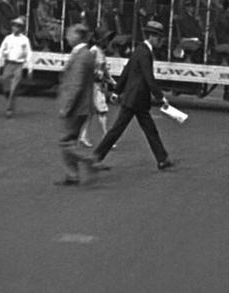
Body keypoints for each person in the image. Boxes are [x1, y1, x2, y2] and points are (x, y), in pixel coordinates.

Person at [92, 20, 173, 171]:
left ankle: (162, 158)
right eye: (159, 38)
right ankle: (96, 156)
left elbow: (127, 71)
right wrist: (160, 97)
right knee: (121, 130)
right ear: (151, 37)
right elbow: (149, 77)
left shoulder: (139, 50)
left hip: (135, 98)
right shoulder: (144, 53)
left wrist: (117, 91)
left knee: (146, 130)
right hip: (137, 98)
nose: (160, 41)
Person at [56, 24, 104, 186]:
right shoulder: (86, 54)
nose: (67, 37)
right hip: (83, 106)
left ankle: (90, 160)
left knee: (64, 142)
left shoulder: (82, 56)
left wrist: (67, 107)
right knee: (71, 140)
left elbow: (76, 85)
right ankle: (72, 175)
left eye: (69, 34)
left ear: (78, 36)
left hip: (77, 106)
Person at [78, 28, 117, 148]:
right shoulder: (94, 51)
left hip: (97, 84)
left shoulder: (100, 52)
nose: (108, 42)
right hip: (93, 84)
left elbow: (104, 70)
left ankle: (83, 136)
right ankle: (106, 138)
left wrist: (111, 80)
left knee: (91, 111)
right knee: (102, 110)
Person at [0, 16, 33, 118]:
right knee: (6, 86)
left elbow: (29, 54)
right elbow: (0, 52)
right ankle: (9, 98)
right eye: (14, 26)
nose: (16, 28)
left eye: (18, 26)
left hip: (18, 66)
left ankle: (9, 109)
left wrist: (30, 68)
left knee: (14, 88)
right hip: (8, 65)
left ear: (21, 28)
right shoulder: (8, 39)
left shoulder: (25, 40)